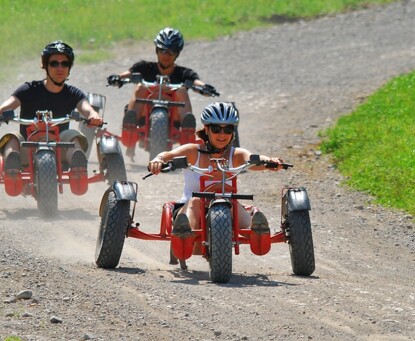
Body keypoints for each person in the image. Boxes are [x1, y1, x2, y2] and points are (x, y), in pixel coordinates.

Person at [147, 102, 283, 242]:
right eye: (217, 129)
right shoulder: (193, 151)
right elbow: (168, 155)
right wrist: (158, 160)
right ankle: (186, 236)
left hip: (225, 207)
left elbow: (253, 159)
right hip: (190, 208)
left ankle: (257, 233)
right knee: (196, 201)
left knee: (232, 202)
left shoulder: (236, 155)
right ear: (207, 129)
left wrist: (269, 162)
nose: (222, 134)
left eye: (228, 130)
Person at [0, 40, 103, 174]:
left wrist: (94, 116)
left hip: (60, 150)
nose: (60, 68)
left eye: (65, 64)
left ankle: (78, 168)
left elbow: (87, 109)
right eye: (54, 63)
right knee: (12, 138)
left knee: (74, 137)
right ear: (45, 66)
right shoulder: (28, 89)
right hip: (26, 148)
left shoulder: (73, 93)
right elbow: (2, 108)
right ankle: (12, 166)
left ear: (69, 68)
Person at [107, 27, 217, 158]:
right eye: (162, 50)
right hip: (142, 116)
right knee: (140, 87)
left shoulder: (183, 73)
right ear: (156, 50)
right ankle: (130, 125)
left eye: (172, 51)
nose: (166, 55)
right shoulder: (144, 68)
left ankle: (187, 129)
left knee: (181, 91)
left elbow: (196, 82)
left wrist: (205, 87)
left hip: (176, 119)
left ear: (177, 54)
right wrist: (117, 78)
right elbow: (128, 74)